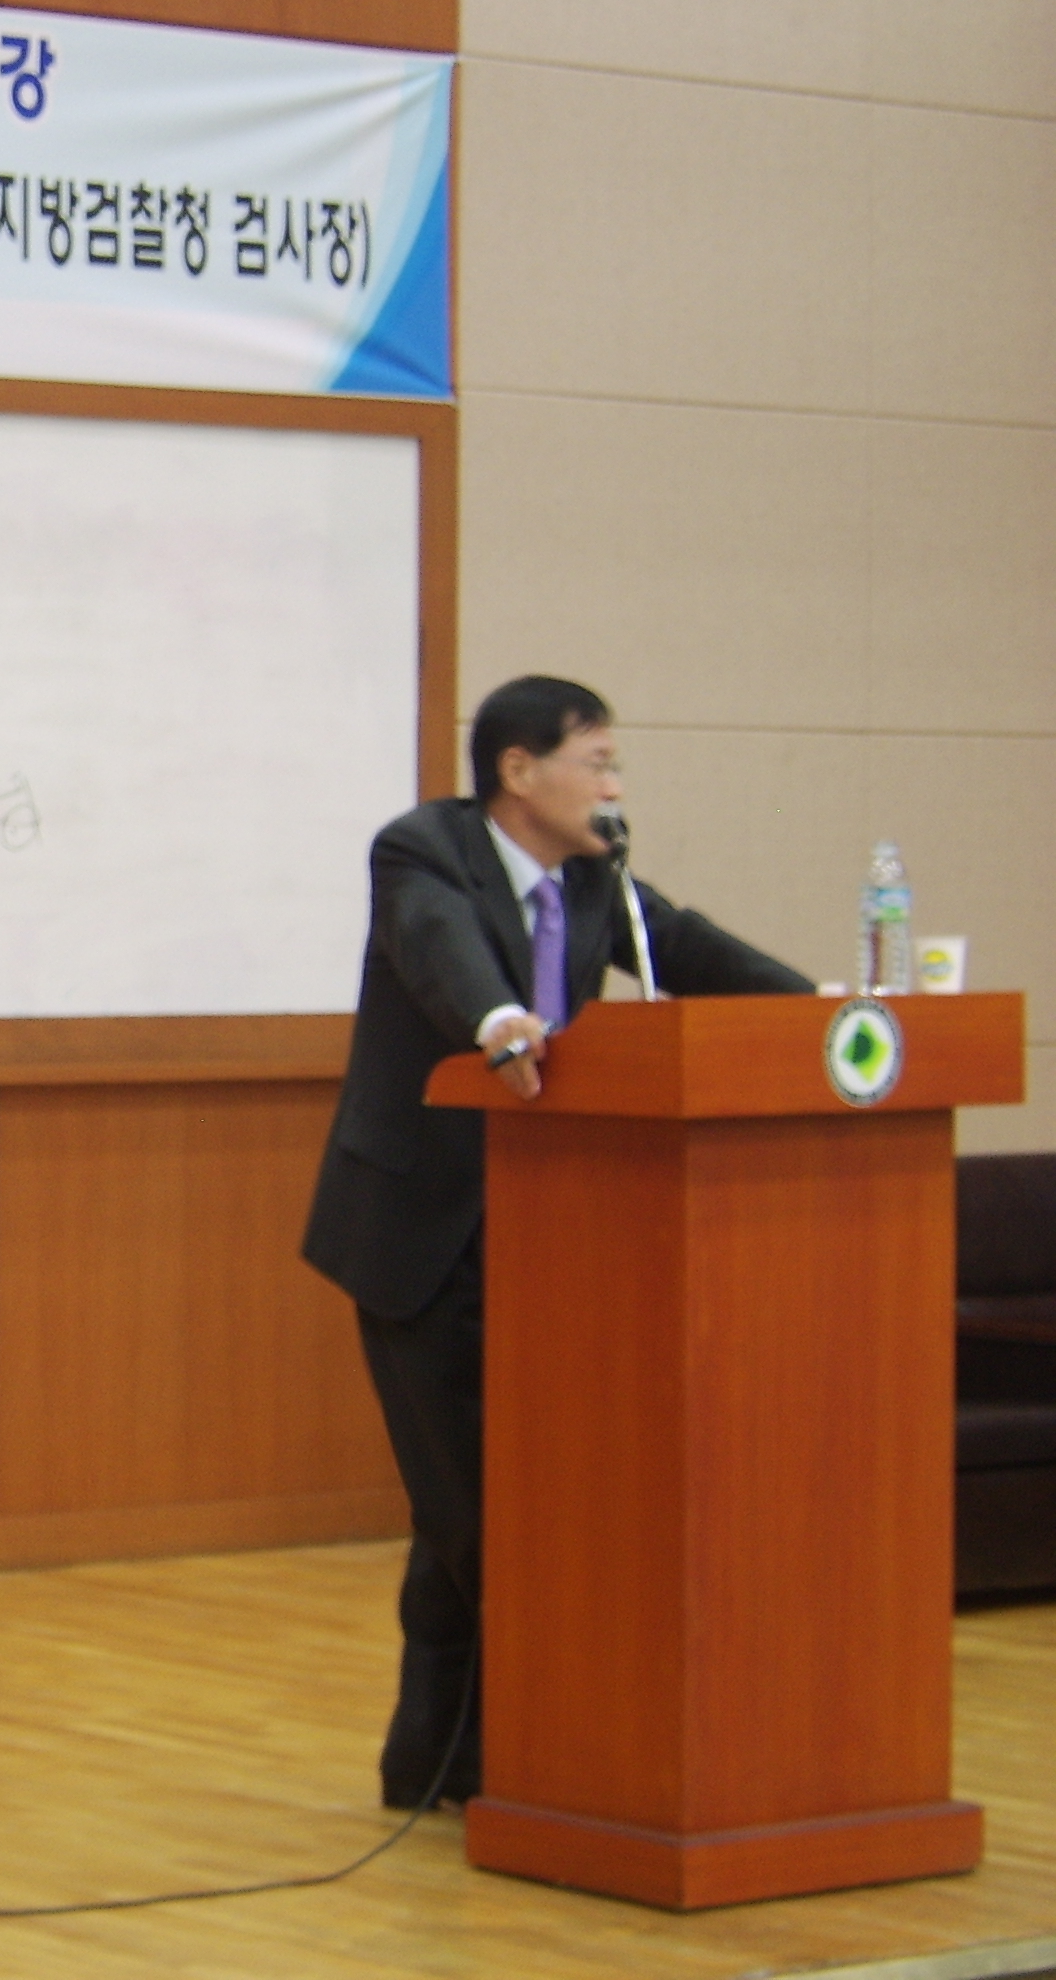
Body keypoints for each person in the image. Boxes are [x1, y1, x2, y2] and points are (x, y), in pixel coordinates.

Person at [303, 676, 811, 1809]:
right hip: (421, 1238)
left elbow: (689, 948)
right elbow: (437, 949)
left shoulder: (595, 880)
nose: (614, 787)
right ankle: (514, 1757)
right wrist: (497, 1021)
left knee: (496, 1503)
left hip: (551, 1236)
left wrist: (822, 1010)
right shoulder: (422, 850)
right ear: (519, 771)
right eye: (598, 762)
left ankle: (444, 1765)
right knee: (472, 1511)